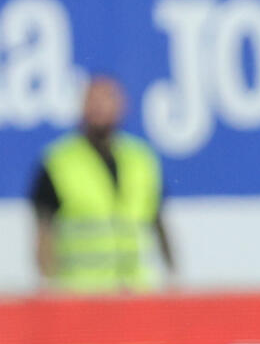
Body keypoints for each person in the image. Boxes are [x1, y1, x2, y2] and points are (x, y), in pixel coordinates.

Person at [31, 76, 178, 293]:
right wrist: (49, 285)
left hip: (136, 289)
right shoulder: (58, 162)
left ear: (122, 106)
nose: (100, 108)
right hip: (82, 292)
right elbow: (44, 231)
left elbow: (158, 222)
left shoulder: (141, 159)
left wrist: (173, 276)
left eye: (107, 100)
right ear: (81, 106)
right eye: (93, 100)